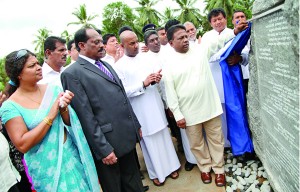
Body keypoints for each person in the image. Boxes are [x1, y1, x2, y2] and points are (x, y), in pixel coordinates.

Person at [0, 49, 100, 191]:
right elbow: (22, 144)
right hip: (47, 168)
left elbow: (68, 123)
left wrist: (64, 108)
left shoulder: (53, 89)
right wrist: (51, 115)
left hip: (70, 157)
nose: (39, 67)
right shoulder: (10, 107)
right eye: (31, 66)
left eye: (37, 63)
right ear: (18, 74)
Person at [61, 27, 144, 192]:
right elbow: (85, 116)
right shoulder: (73, 73)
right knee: (115, 186)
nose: (102, 45)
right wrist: (103, 149)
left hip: (125, 136)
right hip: (108, 145)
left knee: (133, 183)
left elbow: (122, 97)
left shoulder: (105, 64)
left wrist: (135, 124)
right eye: (96, 42)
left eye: (101, 41)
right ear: (82, 45)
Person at [163, 24, 247, 187]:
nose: (185, 40)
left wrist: (235, 32)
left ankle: (219, 170)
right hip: (189, 113)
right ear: (171, 43)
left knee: (216, 139)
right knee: (197, 143)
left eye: (186, 36)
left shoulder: (199, 50)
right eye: (180, 38)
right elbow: (170, 93)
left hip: (210, 107)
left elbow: (218, 41)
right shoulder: (168, 64)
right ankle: (205, 168)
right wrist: (178, 114)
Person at [114, 30, 181, 187]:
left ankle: (172, 167)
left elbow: (156, 77)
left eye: (137, 41)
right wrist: (142, 84)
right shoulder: (119, 66)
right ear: (122, 45)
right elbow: (123, 91)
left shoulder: (146, 58)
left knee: (164, 136)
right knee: (149, 142)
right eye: (131, 43)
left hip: (155, 104)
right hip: (140, 110)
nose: (136, 45)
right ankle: (157, 173)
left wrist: (156, 78)